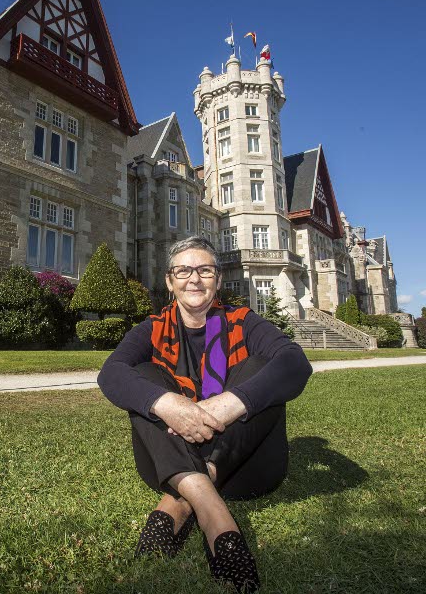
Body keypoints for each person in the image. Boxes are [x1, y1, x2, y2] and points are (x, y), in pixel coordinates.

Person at [98, 236, 312, 592]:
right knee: (146, 380)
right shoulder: (152, 328)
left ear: (217, 278)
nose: (194, 278)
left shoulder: (243, 322)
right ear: (170, 281)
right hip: (168, 463)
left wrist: (229, 403)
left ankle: (181, 505)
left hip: (247, 467)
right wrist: (168, 404)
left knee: (261, 366)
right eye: (183, 270)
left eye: (205, 270)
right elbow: (111, 373)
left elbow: (295, 363)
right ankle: (217, 520)